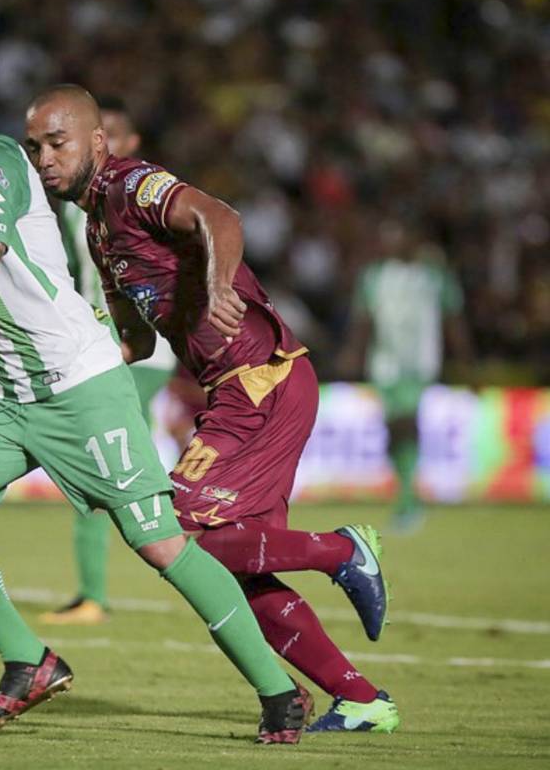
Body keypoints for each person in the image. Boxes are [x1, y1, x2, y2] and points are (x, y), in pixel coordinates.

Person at [0, 46, 310, 743]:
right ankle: (28, 661)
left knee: (162, 546)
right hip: (13, 400)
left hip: (80, 387)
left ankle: (280, 694)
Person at [25, 84, 400, 734]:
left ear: (96, 142)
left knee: (176, 523)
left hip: (260, 382)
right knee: (242, 563)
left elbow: (220, 216)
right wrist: (61, 356)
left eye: (56, 143)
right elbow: (137, 341)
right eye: (34, 148)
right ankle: (362, 699)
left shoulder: (132, 185)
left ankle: (341, 551)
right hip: (236, 392)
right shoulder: (97, 229)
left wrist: (221, 284)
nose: (43, 159)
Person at [41, 96, 177, 626]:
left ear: (130, 143)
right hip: (105, 348)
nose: (105, 145)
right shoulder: (78, 204)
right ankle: (96, 588)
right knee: (114, 465)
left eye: (114, 136)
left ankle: (97, 591)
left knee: (103, 464)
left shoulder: (140, 193)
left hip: (139, 352)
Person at [337, 219, 473, 533]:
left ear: (413, 239)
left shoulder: (436, 276)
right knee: (394, 431)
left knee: (406, 424)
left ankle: (409, 502)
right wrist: (352, 353)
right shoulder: (374, 277)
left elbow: (453, 319)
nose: (392, 242)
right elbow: (363, 319)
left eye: (398, 235)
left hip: (419, 364)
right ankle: (407, 493)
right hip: (383, 364)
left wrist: (465, 359)